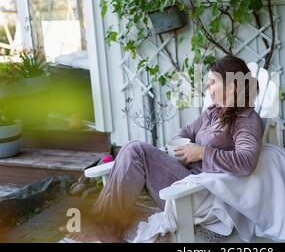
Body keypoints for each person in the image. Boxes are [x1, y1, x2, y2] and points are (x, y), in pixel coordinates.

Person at [67, 55, 263, 242]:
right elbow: (185, 132)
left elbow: (246, 162)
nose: (208, 88)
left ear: (231, 86)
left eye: (213, 82)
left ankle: (103, 229)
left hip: (200, 194)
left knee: (136, 150)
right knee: (132, 150)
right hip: (185, 179)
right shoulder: (214, 112)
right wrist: (181, 151)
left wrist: (202, 153)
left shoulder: (245, 120)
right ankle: (104, 226)